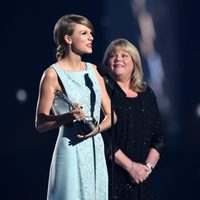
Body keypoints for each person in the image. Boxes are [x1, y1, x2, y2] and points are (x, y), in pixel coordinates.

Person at [35, 14, 117, 200]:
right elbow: (40, 123)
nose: (91, 38)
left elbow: (111, 115)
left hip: (95, 148)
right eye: (84, 33)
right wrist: (68, 117)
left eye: (91, 33)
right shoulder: (52, 74)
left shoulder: (93, 71)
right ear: (68, 38)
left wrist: (95, 130)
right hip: (70, 149)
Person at [101, 38, 166, 200]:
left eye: (124, 55)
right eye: (113, 55)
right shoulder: (103, 93)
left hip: (142, 179)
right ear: (107, 63)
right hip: (112, 177)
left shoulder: (147, 94)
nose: (118, 59)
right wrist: (130, 167)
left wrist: (145, 169)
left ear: (134, 62)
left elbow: (159, 138)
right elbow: (104, 139)